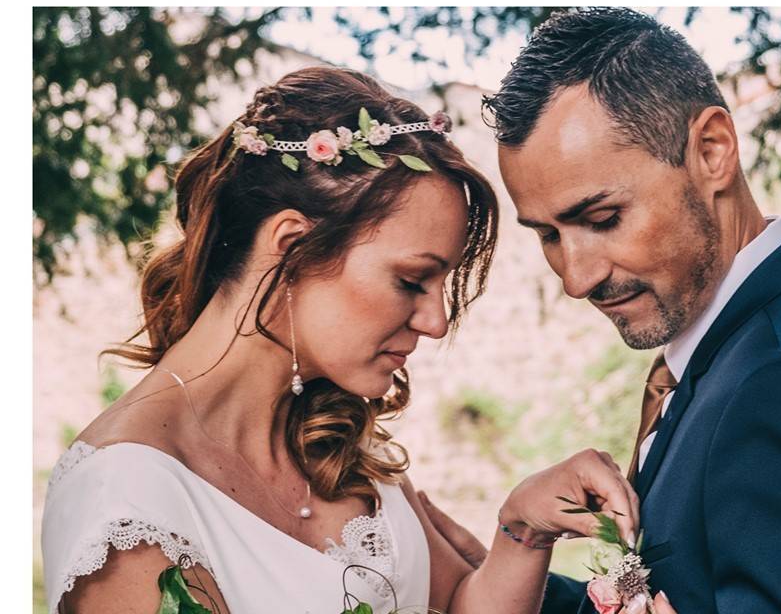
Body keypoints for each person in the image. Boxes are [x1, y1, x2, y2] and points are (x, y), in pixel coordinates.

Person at [40, 66, 644, 614]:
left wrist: (521, 529)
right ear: (291, 246)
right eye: (411, 280)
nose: (435, 322)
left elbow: (461, 605)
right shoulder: (125, 500)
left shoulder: (332, 434)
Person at [424, 7, 781, 613]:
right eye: (549, 235)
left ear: (713, 151)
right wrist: (507, 569)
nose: (577, 280)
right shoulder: (775, 330)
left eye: (603, 218)